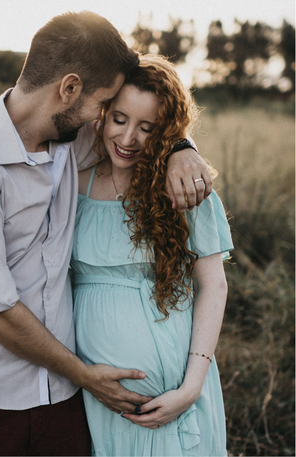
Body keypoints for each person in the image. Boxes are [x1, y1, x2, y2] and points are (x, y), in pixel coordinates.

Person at [0, 11, 213, 455]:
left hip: (61, 404)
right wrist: (84, 374)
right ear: (69, 89)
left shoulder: (73, 140)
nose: (102, 117)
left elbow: (143, 132)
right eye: (101, 103)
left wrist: (183, 149)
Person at [71, 54, 229, 455]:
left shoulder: (184, 187)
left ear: (167, 132)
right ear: (101, 115)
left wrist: (191, 388)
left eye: (147, 128)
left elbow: (213, 284)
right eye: (119, 120)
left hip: (176, 391)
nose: (128, 140)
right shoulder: (72, 185)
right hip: (95, 397)